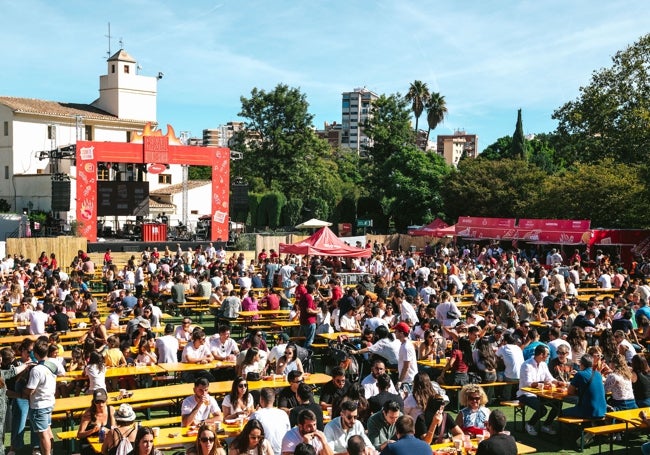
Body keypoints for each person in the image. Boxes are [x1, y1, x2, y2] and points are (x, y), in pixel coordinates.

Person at [517, 344, 565, 436]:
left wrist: (558, 383)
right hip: (525, 394)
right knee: (542, 410)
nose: (548, 356)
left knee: (558, 404)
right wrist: (543, 383)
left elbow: (550, 378)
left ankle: (546, 425)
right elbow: (528, 383)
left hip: (540, 394)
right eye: (547, 354)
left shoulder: (543, 364)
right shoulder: (526, 365)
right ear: (541, 355)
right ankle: (529, 424)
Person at [24, 339, 56, 455]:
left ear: (36, 354)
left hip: (39, 405)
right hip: (49, 402)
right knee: (47, 430)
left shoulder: (37, 370)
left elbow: (30, 389)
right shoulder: (53, 364)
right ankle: (50, 452)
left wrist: (23, 391)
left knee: (43, 435)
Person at [250, 388, 291, 455]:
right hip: (283, 451)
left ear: (261, 399)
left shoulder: (257, 415)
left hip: (265, 452)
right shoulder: (283, 414)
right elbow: (288, 433)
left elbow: (249, 434)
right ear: (274, 399)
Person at [76, 388, 115, 455]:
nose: (101, 404)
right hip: (89, 445)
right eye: (98, 402)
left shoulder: (111, 409)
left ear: (106, 400)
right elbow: (79, 435)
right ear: (94, 402)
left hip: (106, 443)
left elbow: (114, 429)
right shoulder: (88, 413)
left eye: (103, 401)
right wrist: (92, 431)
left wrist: (108, 430)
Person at [394, 322, 417, 392]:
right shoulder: (404, 344)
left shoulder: (406, 347)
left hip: (408, 381)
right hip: (407, 380)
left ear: (401, 333)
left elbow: (406, 366)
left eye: (396, 331)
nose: (395, 333)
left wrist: (400, 381)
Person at [298, 284, 318, 349]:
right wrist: (317, 311)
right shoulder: (309, 297)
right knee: (309, 340)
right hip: (309, 321)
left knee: (306, 339)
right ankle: (305, 355)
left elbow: (300, 306)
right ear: (313, 290)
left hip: (303, 320)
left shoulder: (304, 296)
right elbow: (308, 310)